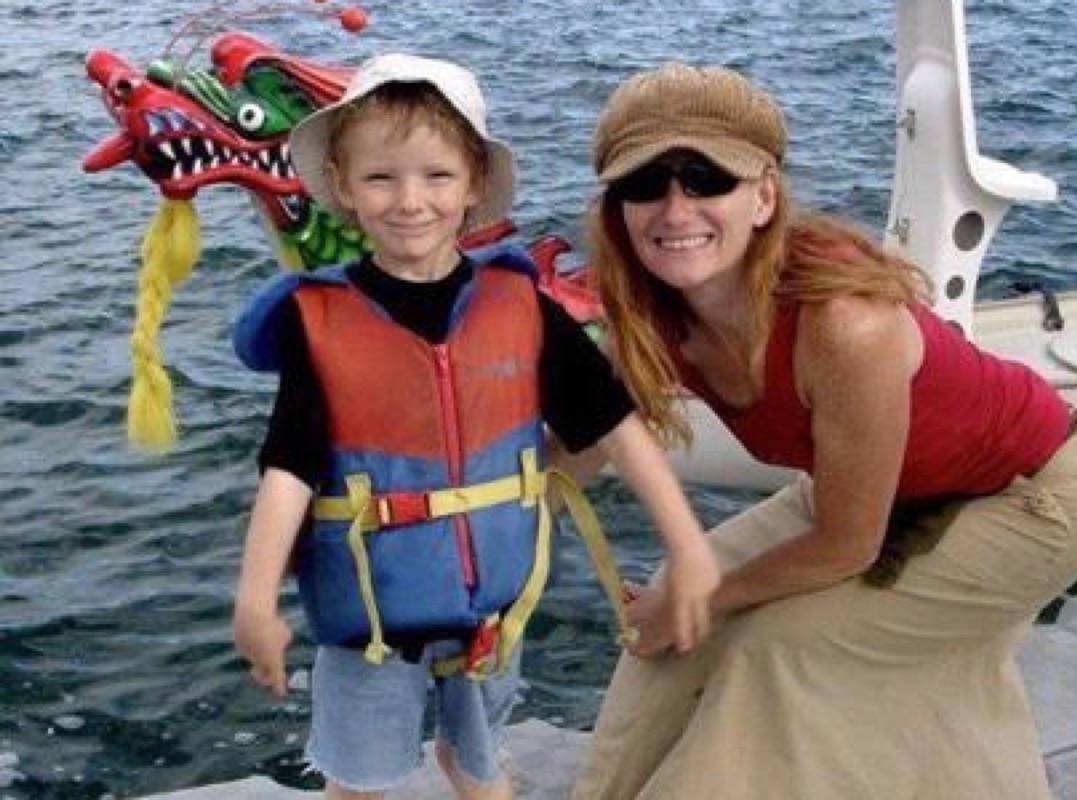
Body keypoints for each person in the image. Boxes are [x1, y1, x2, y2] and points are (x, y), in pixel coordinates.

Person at [571, 62, 1077, 800]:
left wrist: (708, 596)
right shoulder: (654, 309)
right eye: (644, 184)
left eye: (705, 178)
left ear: (764, 196)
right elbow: (580, 446)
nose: (675, 209)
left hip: (1032, 500)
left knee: (779, 651)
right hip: (874, 489)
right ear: (617, 208)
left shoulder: (845, 326)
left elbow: (846, 543)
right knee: (671, 610)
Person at [229, 54, 719, 800]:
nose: (410, 202)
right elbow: (289, 467)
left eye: (436, 176)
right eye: (381, 178)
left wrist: (688, 551)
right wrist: (255, 600)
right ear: (341, 185)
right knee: (358, 782)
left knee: (482, 767)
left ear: (474, 186)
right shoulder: (317, 321)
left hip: (494, 611)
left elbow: (616, 427)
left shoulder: (520, 305)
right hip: (369, 622)